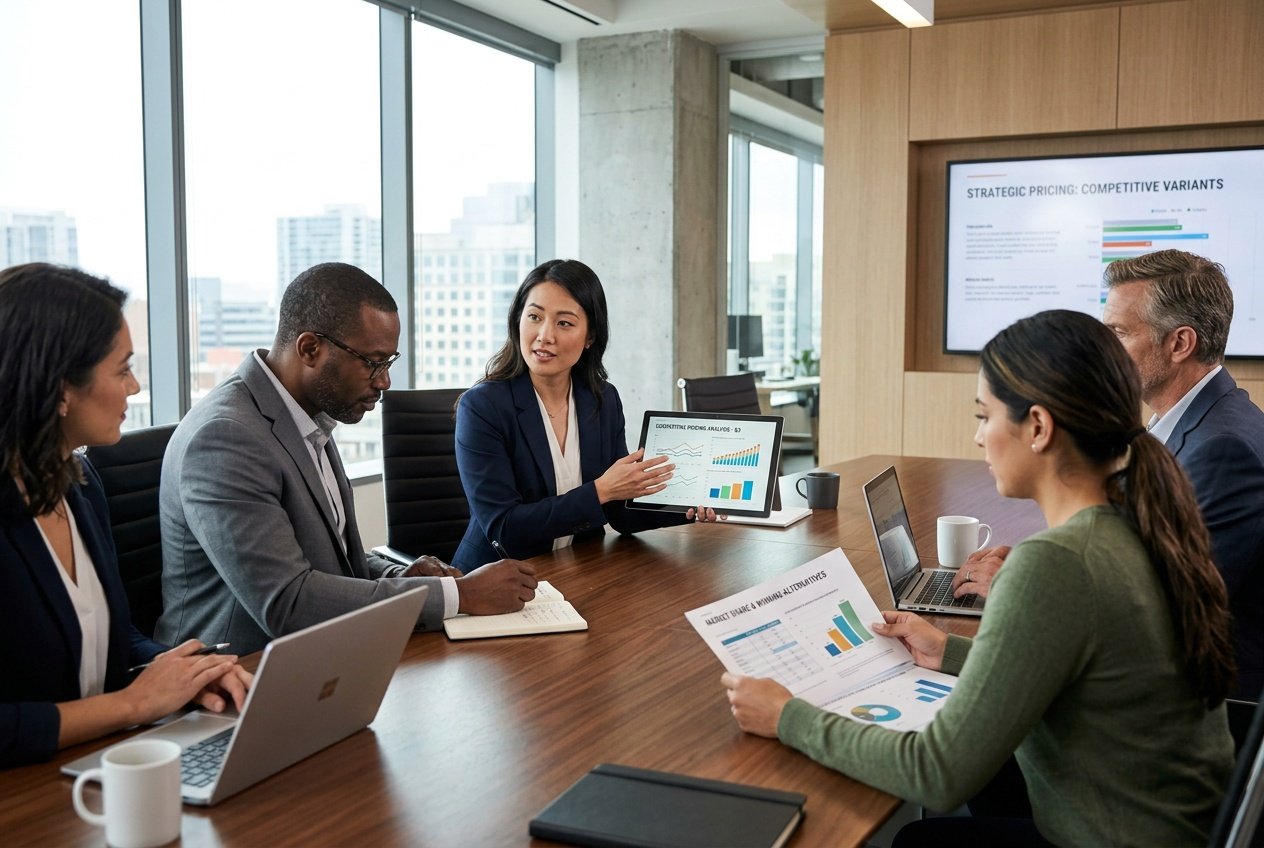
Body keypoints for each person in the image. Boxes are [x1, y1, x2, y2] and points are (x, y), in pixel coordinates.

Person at [723, 310, 1235, 846]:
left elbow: (936, 774)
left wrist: (786, 716)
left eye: (984, 416)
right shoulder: (1145, 519)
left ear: (1038, 427)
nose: (976, 437)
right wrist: (948, 651)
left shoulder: (1057, 562)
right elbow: (1078, 668)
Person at [156, 263, 537, 656]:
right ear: (309, 349)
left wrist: (398, 575)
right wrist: (459, 595)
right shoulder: (225, 437)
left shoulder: (307, 413)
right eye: (373, 362)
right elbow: (290, 602)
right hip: (236, 675)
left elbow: (329, 562)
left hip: (323, 654)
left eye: (389, 362)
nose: (384, 381)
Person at [952, 250, 1264, 698]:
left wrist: (1015, 589)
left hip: (1201, 703)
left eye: (1118, 332)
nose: (1103, 350)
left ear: (1179, 344)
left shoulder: (1223, 451)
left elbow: (1160, 618)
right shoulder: (1190, 424)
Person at [1, 264, 250, 768]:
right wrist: (133, 704)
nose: (135, 387)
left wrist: (180, 670)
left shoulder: (77, 487)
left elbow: (109, 639)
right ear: (60, 389)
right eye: (122, 369)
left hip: (98, 767)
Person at [452, 259, 719, 573]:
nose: (544, 335)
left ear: (590, 336)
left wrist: (684, 506)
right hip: (496, 581)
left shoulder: (602, 399)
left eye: (564, 323)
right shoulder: (482, 408)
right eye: (534, 317)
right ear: (517, 321)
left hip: (579, 572)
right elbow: (505, 528)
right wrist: (601, 489)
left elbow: (620, 512)